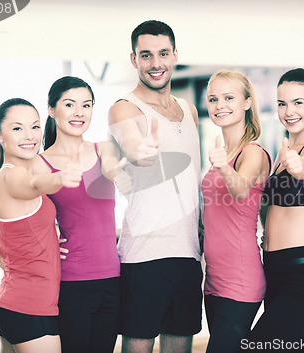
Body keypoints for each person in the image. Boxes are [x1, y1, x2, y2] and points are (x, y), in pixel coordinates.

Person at [107, 20, 202, 353]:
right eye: (146, 55)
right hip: (144, 256)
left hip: (189, 254)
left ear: (175, 55)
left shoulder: (189, 110)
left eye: (163, 53)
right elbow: (131, 142)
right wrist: (139, 151)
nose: (156, 63)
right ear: (134, 60)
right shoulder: (124, 107)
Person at [243, 68, 304, 352]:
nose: (288, 111)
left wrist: (296, 166)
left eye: (298, 102)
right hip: (276, 274)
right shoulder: (285, 154)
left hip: (303, 279)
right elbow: (270, 207)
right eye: (282, 103)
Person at [31, 76, 125, 353]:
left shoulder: (104, 149)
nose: (79, 112)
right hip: (71, 282)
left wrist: (126, 168)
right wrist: (45, 247)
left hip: (112, 279)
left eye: (86, 105)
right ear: (51, 109)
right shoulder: (39, 163)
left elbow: (113, 171)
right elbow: (22, 220)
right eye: (69, 104)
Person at [0, 98, 82, 353]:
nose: (29, 136)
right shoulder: (14, 176)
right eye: (17, 128)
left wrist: (25, 266)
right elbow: (34, 185)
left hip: (9, 305)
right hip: (30, 310)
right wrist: (59, 178)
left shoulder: (0, 177)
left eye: (35, 127)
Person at [202, 70, 271, 353]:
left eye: (229, 98)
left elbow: (241, 189)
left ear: (247, 102)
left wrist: (222, 168)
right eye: (214, 99)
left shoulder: (252, 152)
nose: (220, 105)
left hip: (241, 282)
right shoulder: (223, 153)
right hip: (213, 281)